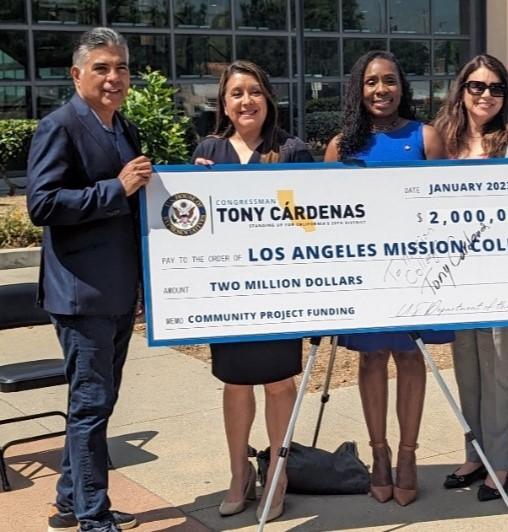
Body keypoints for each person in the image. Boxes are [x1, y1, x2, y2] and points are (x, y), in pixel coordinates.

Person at [26, 28, 149, 532]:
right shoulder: (60, 126)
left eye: (120, 67)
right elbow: (43, 204)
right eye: (102, 67)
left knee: (99, 402)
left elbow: (136, 195)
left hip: (117, 292)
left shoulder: (124, 128)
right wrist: (112, 189)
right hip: (80, 294)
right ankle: (94, 519)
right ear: (77, 74)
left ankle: (71, 500)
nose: (114, 77)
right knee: (91, 407)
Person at [324, 50, 451, 507]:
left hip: (416, 275)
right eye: (372, 82)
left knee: (410, 358)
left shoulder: (426, 137)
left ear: (403, 87)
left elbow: (445, 212)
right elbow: (327, 219)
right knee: (372, 360)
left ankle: (408, 454)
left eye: (390, 81)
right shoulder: (341, 147)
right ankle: (379, 454)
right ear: (359, 89)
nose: (382, 90)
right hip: (365, 279)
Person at [192, 60, 313, 523]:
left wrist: (288, 198)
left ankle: (278, 474)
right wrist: (193, 186)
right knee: (236, 382)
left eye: (255, 92)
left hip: (279, 290)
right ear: (224, 103)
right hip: (228, 292)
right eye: (237, 93)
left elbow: (310, 226)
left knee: (280, 384)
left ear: (269, 98)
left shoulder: (292, 150)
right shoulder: (209, 150)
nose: (247, 101)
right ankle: (238, 473)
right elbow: (188, 224)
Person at [432, 53, 508, 502]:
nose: (486, 95)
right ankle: (475, 454)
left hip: (502, 276)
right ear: (462, 90)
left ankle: (501, 462)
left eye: (495, 88)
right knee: (467, 371)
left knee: (499, 372)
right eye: (477, 86)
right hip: (455, 278)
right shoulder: (443, 139)